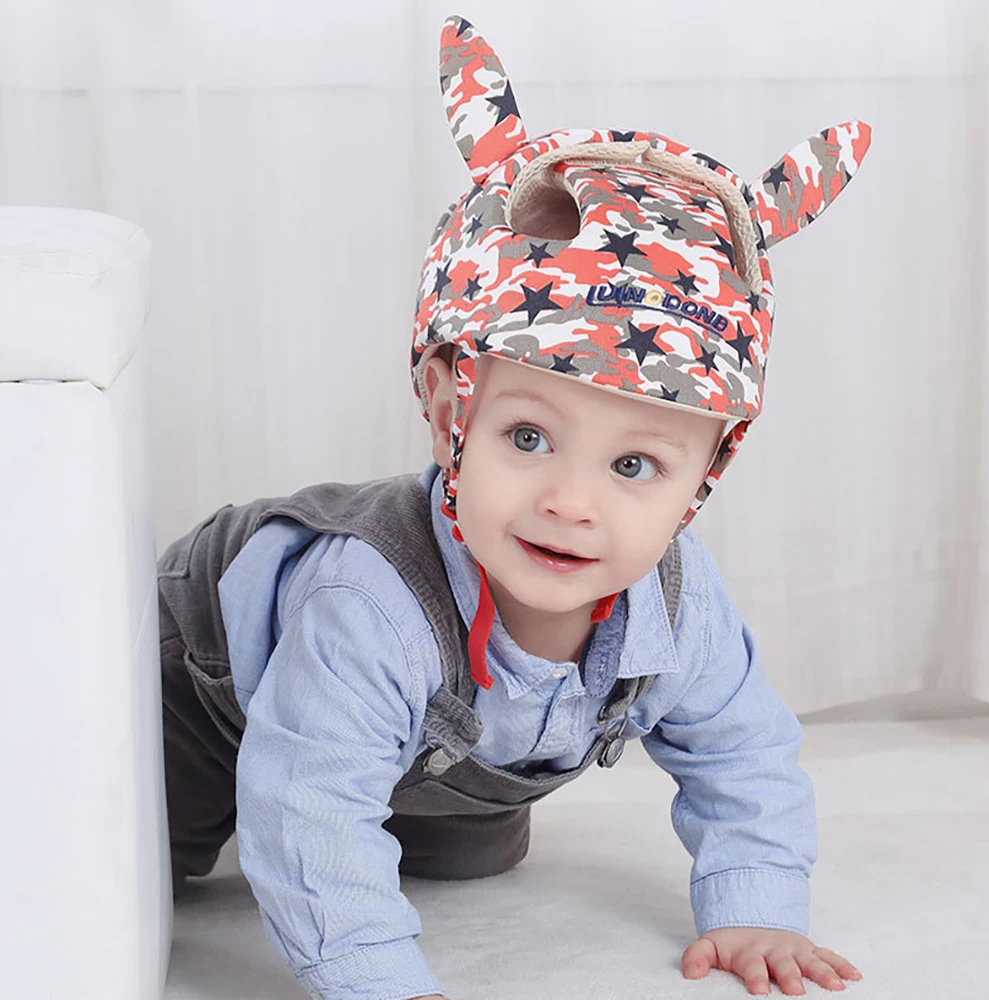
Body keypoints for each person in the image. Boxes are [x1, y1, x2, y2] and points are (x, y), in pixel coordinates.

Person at [158, 14, 873, 1000]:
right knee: (158, 857)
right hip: (209, 682)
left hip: (452, 736)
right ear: (455, 416)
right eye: (527, 439)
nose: (569, 502)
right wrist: (380, 978)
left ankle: (405, 785)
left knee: (468, 855)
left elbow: (741, 749)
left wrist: (753, 903)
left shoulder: (677, 597)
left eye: (634, 465)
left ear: (704, 476)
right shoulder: (373, 602)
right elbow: (308, 807)